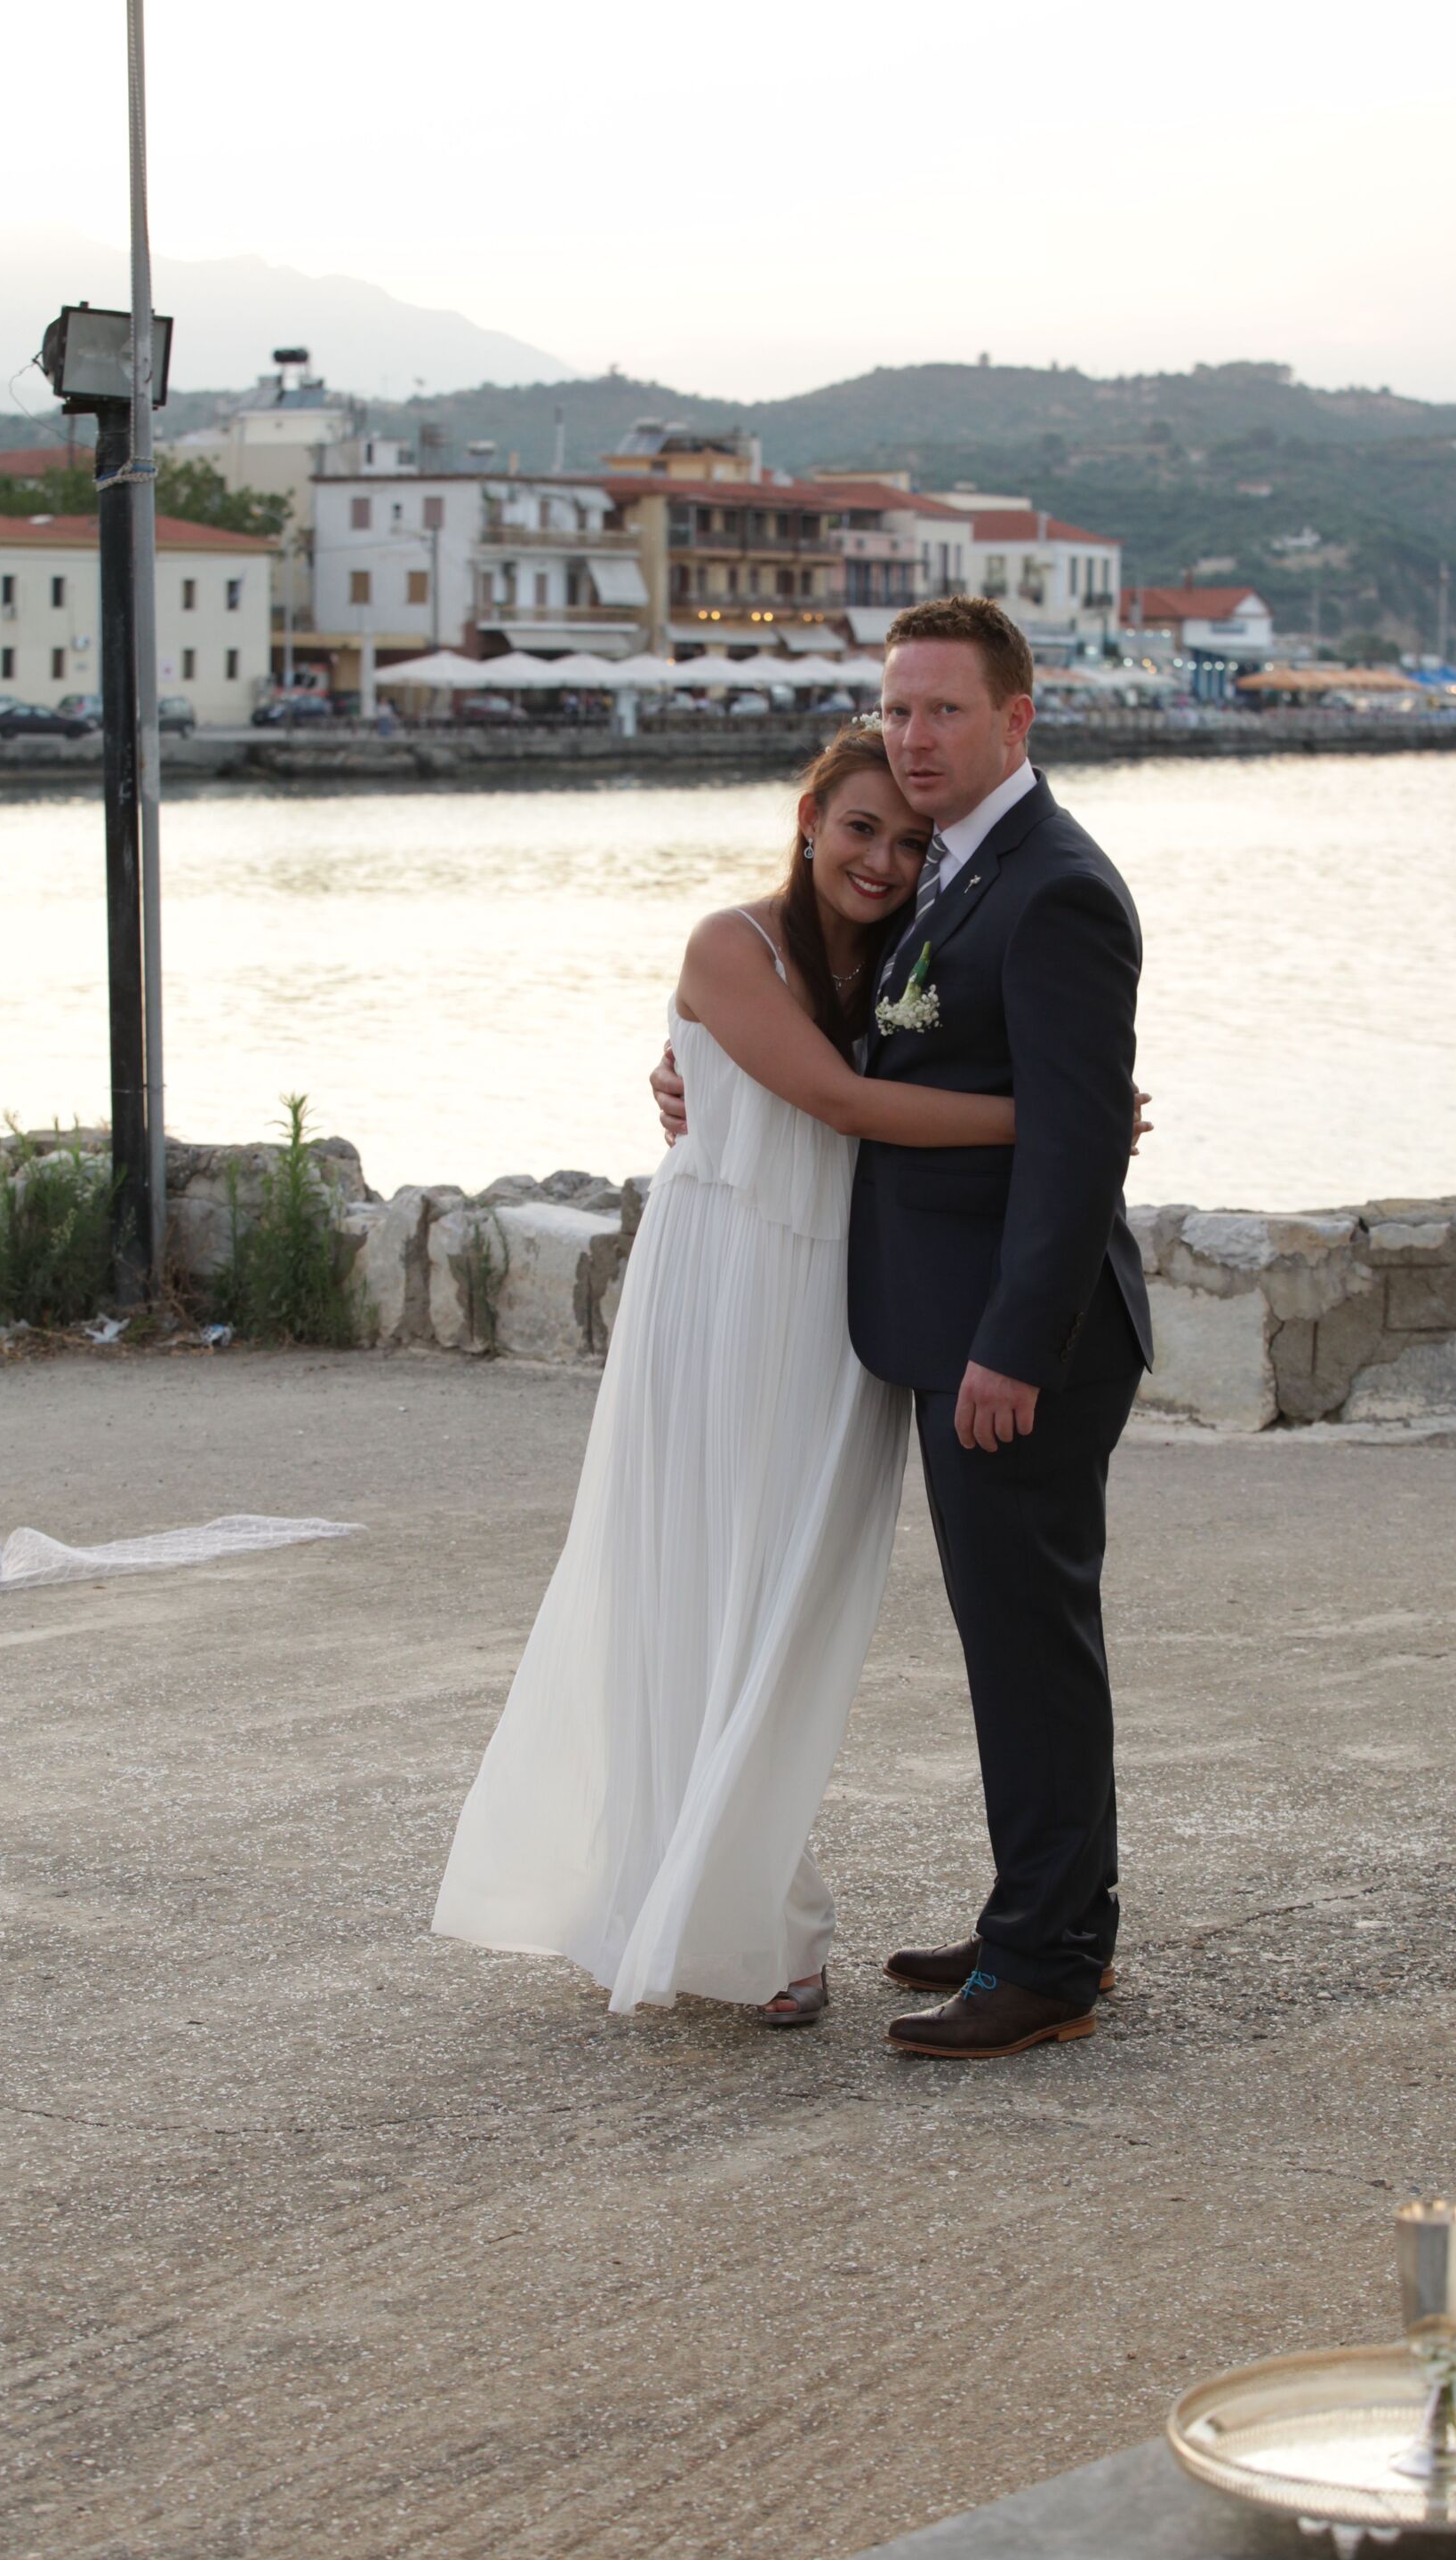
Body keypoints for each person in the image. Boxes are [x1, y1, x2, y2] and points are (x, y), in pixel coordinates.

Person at [433, 726, 1023, 2023]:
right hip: (720, 1291)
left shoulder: (913, 958)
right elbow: (842, 1104)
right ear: (808, 819)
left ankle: (742, 1893)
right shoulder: (727, 943)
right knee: (692, 1589)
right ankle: (746, 1924)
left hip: (843, 1311)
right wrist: (1048, 1121)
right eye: (859, 828)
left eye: (910, 840)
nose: (883, 860)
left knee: (794, 1608)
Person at [653, 596, 1152, 2060]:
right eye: (898, 710)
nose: (916, 738)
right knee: (1014, 1642)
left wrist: (1013, 1345)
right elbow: (857, 1039)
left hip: (1019, 1339)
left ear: (1016, 718)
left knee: (1030, 1645)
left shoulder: (1056, 887)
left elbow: (1071, 1143)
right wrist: (692, 1066)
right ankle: (1041, 1917)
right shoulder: (956, 869)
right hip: (948, 1323)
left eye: (945, 711)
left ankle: (1048, 1964)